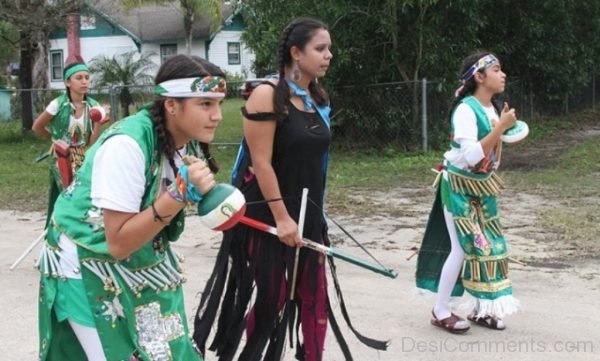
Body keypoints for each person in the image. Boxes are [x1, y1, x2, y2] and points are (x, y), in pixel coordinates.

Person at [193, 17, 387, 361]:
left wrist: (313, 216)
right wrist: (282, 219)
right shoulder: (267, 96)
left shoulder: (316, 98)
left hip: (307, 213)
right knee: (274, 298)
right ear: (296, 53)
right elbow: (261, 162)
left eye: (329, 48)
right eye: (320, 48)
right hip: (268, 213)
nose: (329, 55)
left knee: (314, 298)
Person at [37, 54, 227, 360]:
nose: (217, 115)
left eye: (218, 103)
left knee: (167, 350)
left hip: (139, 257)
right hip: (86, 263)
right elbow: (118, 243)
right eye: (205, 104)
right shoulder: (127, 146)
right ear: (171, 105)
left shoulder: (182, 140)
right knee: (122, 352)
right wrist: (179, 194)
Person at [416, 51, 521, 334]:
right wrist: (501, 127)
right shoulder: (465, 109)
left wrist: (503, 129)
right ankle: (440, 310)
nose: (503, 74)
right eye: (497, 69)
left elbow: (492, 155)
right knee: (462, 247)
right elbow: (472, 156)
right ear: (479, 76)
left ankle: (481, 309)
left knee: (487, 247)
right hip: (458, 187)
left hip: (482, 189)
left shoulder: (492, 110)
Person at [32, 58, 108, 226]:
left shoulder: (93, 106)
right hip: (61, 156)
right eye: (79, 78)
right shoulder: (57, 104)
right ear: (67, 82)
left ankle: (75, 227)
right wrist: (54, 141)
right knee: (69, 192)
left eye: (87, 77)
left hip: (83, 154)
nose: (84, 82)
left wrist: (98, 123)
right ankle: (67, 227)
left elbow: (92, 142)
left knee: (84, 191)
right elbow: (37, 127)